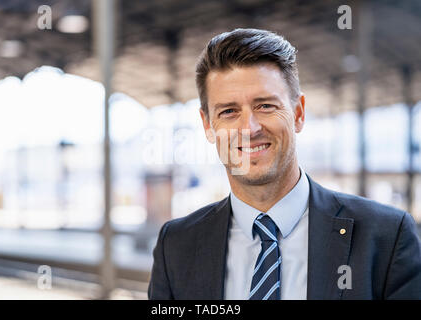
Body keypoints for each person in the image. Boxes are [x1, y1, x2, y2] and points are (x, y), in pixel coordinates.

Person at [148, 28, 421, 300]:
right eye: (229, 111)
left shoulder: (386, 237)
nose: (249, 128)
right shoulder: (176, 245)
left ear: (298, 114)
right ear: (208, 125)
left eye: (265, 105)